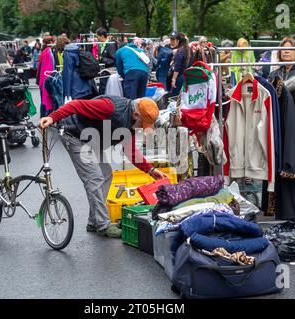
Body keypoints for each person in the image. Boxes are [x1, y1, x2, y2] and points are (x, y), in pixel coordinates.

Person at [38, 96, 168, 237]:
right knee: (94, 177)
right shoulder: (110, 107)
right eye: (143, 124)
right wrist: (52, 118)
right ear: (136, 115)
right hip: (74, 134)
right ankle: (103, 225)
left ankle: (94, 222)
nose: (142, 129)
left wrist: (151, 170)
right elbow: (76, 104)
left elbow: (129, 150)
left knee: (106, 174)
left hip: (93, 138)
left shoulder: (131, 122)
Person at [168, 31, 191, 96]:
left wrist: (173, 79)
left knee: (175, 98)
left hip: (180, 77)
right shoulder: (189, 50)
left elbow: (177, 67)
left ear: (178, 41)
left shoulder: (180, 50)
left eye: (174, 39)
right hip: (188, 76)